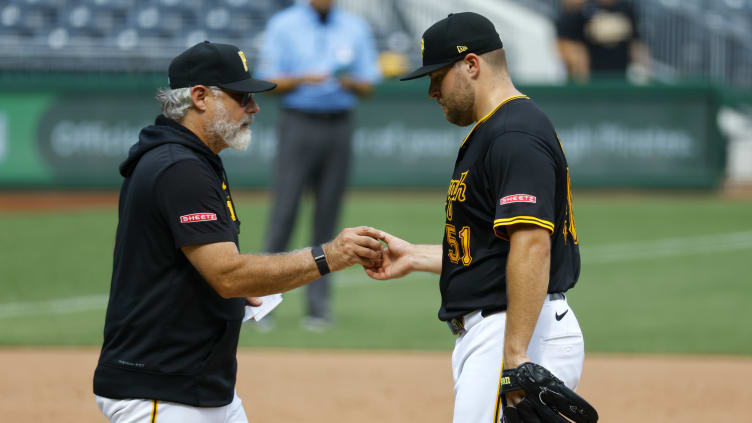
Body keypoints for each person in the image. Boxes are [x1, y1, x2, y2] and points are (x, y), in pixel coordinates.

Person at [92, 41, 384, 423]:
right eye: (242, 96)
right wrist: (331, 255)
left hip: (198, 385)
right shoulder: (179, 167)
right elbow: (227, 274)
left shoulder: (192, 159)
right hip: (159, 389)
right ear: (199, 97)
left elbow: (194, 265)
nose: (254, 107)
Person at [365, 12, 586, 423]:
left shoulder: (514, 135)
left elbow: (532, 243)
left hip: (515, 329)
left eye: (437, 76)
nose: (431, 90)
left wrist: (516, 357)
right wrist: (413, 256)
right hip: (506, 326)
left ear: (471, 65)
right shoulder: (495, 130)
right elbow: (489, 251)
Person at [255, 0, 381, 330]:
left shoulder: (354, 26)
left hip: (339, 122)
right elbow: (267, 81)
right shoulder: (285, 24)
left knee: (327, 219)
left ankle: (318, 308)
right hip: (298, 121)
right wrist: (305, 78)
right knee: (283, 215)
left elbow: (369, 82)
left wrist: (345, 80)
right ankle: (262, 306)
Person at [556, 0, 650, 82]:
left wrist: (642, 68)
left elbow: (636, 43)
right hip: (592, 77)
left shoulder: (626, 9)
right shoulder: (584, 9)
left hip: (620, 76)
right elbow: (568, 41)